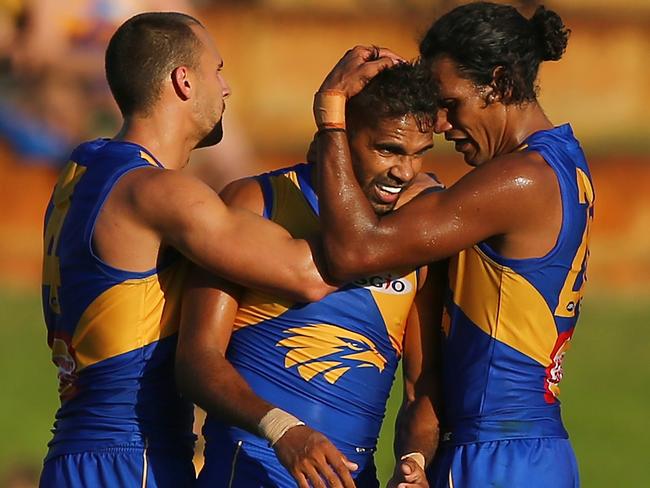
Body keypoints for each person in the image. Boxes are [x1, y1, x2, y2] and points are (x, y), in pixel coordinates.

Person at [39, 12, 397, 487]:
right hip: (135, 457)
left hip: (70, 455)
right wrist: (335, 113)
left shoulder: (83, 168)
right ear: (183, 81)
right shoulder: (159, 193)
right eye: (218, 70)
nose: (226, 88)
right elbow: (313, 271)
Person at [312, 3, 594, 488]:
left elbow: (354, 252)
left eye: (451, 102)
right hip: (518, 449)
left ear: (501, 85)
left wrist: (332, 116)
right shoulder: (561, 163)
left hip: (497, 454)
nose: (440, 124)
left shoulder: (521, 178)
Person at [177, 62, 443, 488]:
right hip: (250, 471)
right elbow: (196, 360)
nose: (405, 172)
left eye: (418, 154)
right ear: (338, 134)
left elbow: (421, 383)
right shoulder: (259, 201)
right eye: (388, 149)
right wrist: (282, 430)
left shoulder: (414, 229)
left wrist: (415, 460)